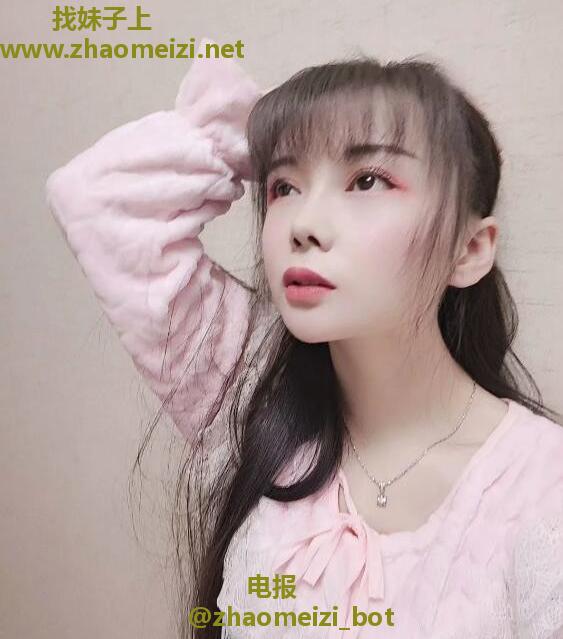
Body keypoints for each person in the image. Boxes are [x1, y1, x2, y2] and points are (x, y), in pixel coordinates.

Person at [45, 38, 563, 639]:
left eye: (367, 180)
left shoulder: (543, 487)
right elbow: (95, 201)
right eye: (283, 188)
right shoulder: (252, 397)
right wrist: (249, 134)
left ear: (468, 250)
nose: (303, 226)